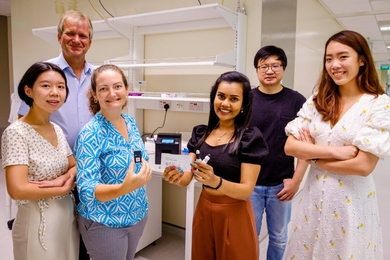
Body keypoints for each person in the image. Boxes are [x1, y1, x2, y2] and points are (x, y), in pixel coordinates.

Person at [283, 30, 390, 259]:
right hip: (312, 199)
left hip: (350, 205)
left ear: (362, 60)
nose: (334, 65)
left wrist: (312, 156)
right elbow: (290, 147)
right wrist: (338, 152)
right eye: (329, 58)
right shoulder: (318, 100)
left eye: (343, 56)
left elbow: (363, 166)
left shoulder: (379, 105)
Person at [163, 71, 269, 260]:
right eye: (221, 96)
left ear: (243, 105)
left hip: (234, 214)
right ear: (214, 98)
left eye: (234, 99)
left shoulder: (249, 139)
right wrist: (175, 177)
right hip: (204, 210)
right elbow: (187, 177)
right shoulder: (201, 133)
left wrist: (215, 181)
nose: (225, 103)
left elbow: (246, 190)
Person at [17, 10, 94, 259]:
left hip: (89, 170)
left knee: (86, 237)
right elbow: (24, 125)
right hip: (55, 174)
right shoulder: (46, 74)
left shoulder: (98, 77)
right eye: (70, 33)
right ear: (60, 37)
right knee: (55, 239)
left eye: (82, 35)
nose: (76, 39)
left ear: (89, 42)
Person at [73, 64, 152, 260]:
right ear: (94, 94)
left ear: (126, 89)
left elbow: (138, 158)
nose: (112, 93)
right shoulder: (90, 134)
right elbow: (86, 190)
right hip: (105, 222)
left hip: (137, 214)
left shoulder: (130, 122)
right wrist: (124, 187)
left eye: (117, 86)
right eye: (103, 88)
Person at [1, 61, 78, 259]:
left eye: (60, 87)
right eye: (46, 86)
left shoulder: (57, 129)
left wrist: (65, 178)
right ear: (28, 90)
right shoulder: (16, 133)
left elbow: (74, 165)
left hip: (67, 218)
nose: (55, 92)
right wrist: (62, 188)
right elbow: (17, 190)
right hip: (38, 225)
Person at [249, 45, 308, 259]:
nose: (269, 70)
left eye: (275, 65)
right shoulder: (246, 99)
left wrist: (296, 180)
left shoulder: (297, 101)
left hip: (281, 185)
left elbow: (306, 146)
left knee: (279, 237)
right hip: (249, 183)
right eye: (264, 66)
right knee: (248, 236)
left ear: (283, 68)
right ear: (256, 70)